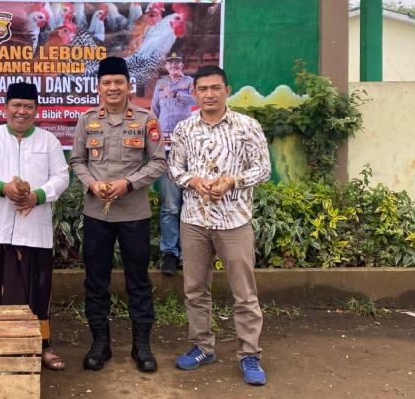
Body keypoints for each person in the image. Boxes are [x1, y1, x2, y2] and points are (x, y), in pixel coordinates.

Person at [168, 65, 271, 386]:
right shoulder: (184, 129)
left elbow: (263, 169)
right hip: (194, 221)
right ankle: (202, 346)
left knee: (244, 293)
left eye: (215, 88)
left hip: (234, 221)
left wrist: (233, 181)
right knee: (195, 290)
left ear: (227, 90)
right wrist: (192, 181)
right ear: (194, 93)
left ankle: (249, 354)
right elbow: (174, 168)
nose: (209, 94)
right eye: (203, 89)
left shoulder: (246, 126)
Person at [70, 56, 167, 373]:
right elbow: (78, 162)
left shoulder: (145, 119)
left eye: (118, 82)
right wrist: (93, 184)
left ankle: (142, 346)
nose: (112, 88)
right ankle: (100, 344)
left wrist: (128, 184)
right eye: (106, 83)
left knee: (138, 282)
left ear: (128, 85)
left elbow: (158, 163)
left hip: (134, 214)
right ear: (98, 87)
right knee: (96, 282)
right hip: (97, 213)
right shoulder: (87, 121)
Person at [0, 81, 70, 371]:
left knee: (37, 291)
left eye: (28, 106)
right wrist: (3, 188)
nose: (22, 112)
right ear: (6, 107)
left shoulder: (48, 140)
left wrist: (37, 196)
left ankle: (42, 346)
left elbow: (62, 178)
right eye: (16, 105)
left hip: (34, 230)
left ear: (36, 110)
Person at [150, 52, 195, 275]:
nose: (174, 66)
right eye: (171, 63)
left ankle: (189, 254)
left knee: (192, 205)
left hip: (189, 150)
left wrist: (175, 94)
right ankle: (169, 253)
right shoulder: (160, 83)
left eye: (178, 63)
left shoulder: (189, 82)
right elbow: (154, 111)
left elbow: (194, 101)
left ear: (182, 65)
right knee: (170, 205)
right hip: (166, 149)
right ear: (166, 65)